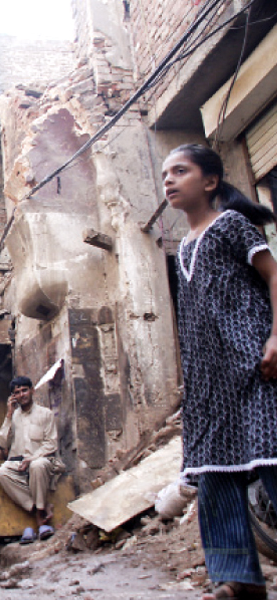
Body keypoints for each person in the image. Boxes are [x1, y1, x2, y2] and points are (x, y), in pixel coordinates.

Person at [163, 144, 277, 600]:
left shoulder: (232, 225)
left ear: (209, 182)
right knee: (216, 474)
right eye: (166, 173)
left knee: (271, 458)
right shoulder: (184, 248)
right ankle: (239, 578)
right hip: (210, 387)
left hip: (255, 367)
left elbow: (273, 274)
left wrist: (275, 337)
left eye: (181, 171)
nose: (169, 180)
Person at [0, 376, 63, 544]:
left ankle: (40, 518)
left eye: (24, 390)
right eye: (17, 392)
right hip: (18, 462)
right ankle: (39, 507)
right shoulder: (14, 417)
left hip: (43, 460)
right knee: (2, 472)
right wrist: (9, 415)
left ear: (32, 391)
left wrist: (32, 458)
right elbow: (3, 442)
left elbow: (51, 444)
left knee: (37, 465)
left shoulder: (45, 414)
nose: (22, 395)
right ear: (13, 397)